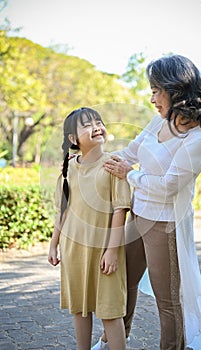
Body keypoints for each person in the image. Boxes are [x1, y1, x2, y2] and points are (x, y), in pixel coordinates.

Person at [92, 55, 201, 349]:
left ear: (177, 89)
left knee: (168, 300)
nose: (152, 98)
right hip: (137, 215)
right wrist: (92, 158)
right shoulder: (158, 121)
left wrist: (130, 176)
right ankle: (115, 339)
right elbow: (131, 153)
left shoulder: (199, 139)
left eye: (157, 90)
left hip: (165, 224)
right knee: (124, 282)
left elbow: (169, 186)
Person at [48, 107, 131, 350]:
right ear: (73, 139)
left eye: (98, 121)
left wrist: (112, 251)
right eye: (86, 125)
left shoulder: (114, 165)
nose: (95, 127)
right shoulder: (68, 169)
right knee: (80, 309)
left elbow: (121, 210)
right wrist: (53, 244)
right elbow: (62, 211)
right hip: (74, 250)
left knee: (110, 312)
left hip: (105, 251)